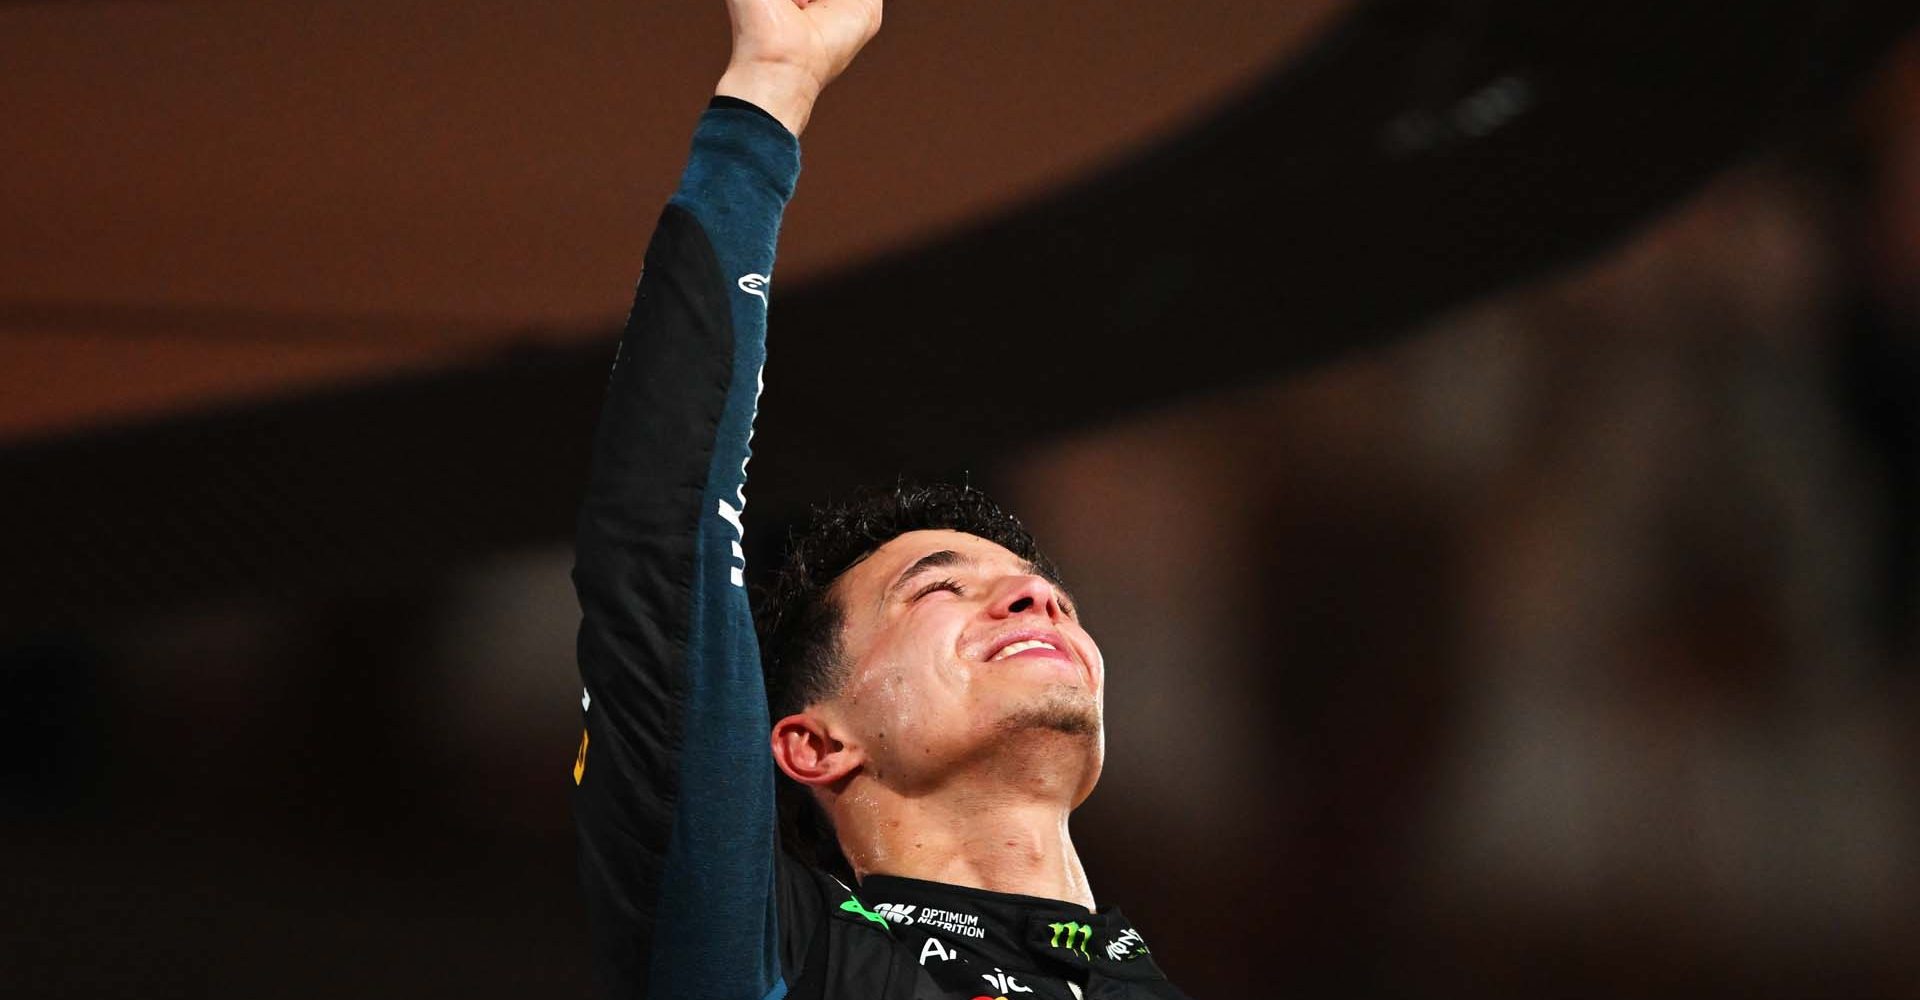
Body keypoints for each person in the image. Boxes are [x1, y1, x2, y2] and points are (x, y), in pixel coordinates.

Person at [570, 2, 1191, 996]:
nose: (1038, 598)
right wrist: (769, 92)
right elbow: (661, 545)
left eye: (1045, 591)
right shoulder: (783, 960)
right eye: (939, 587)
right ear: (816, 742)